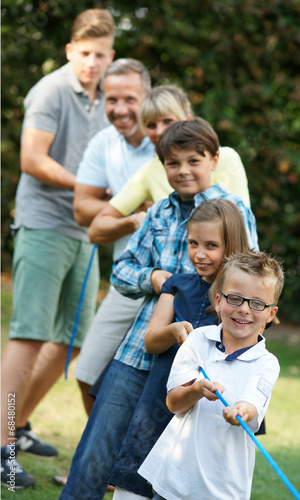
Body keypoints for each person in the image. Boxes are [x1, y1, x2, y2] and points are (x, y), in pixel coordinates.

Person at [59, 118, 259, 500]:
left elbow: (247, 275)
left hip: (197, 360)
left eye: (192, 161)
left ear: (213, 160)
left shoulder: (233, 210)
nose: (182, 171)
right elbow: (121, 269)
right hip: (141, 344)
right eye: (172, 163)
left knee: (162, 451)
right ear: (162, 166)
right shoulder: (159, 212)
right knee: (98, 442)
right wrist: (156, 279)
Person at [0, 9, 115, 489]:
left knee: (75, 339)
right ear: (70, 51)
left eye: (101, 55)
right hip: (45, 223)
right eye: (84, 54)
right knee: (28, 335)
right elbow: (32, 158)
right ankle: (1, 448)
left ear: (111, 56)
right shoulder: (49, 90)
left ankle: (18, 424)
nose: (92, 63)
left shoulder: (111, 95)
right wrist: (88, 187)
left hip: (85, 232)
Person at [110, 198, 250, 499]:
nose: (199, 254)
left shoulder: (240, 301)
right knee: (135, 477)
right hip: (161, 398)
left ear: (232, 245)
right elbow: (151, 340)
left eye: (211, 245)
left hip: (207, 411)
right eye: (193, 243)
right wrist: (173, 331)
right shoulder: (178, 285)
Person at [139, 250, 284, 500]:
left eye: (257, 303)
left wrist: (240, 411)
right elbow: (174, 403)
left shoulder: (266, 363)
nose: (244, 310)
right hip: (173, 479)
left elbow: (252, 406)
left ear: (270, 314)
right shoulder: (198, 340)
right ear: (218, 301)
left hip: (223, 489)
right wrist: (196, 390)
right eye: (235, 298)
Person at [71, 58, 155, 415]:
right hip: (128, 275)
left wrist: (110, 207)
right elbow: (81, 208)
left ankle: (128, 469)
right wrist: (131, 214)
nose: (120, 109)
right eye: (111, 99)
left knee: (155, 388)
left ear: (149, 96)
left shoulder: (172, 138)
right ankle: (97, 465)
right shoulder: (103, 142)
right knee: (88, 374)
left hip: (178, 279)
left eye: (130, 99)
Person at [88, 85, 250, 246]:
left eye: (168, 121)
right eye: (151, 125)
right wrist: (135, 221)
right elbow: (95, 230)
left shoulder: (226, 158)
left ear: (187, 120)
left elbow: (241, 229)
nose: (159, 131)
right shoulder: (150, 170)